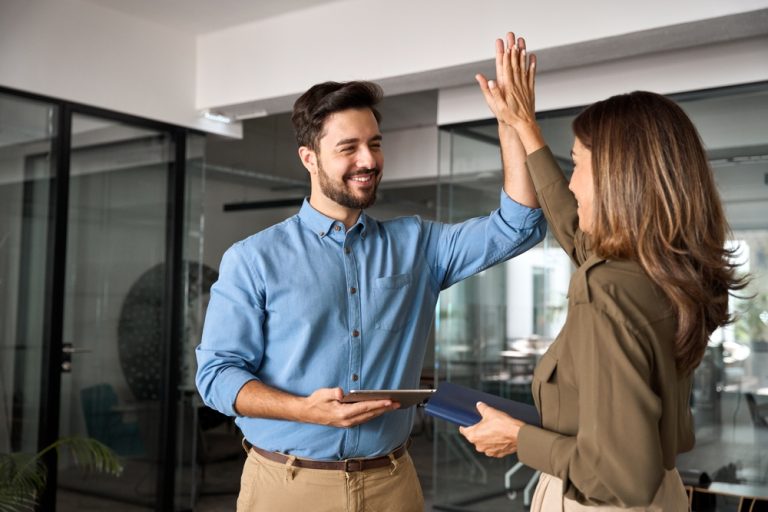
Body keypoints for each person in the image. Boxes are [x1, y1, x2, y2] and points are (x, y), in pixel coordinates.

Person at [195, 80, 546, 511]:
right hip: (287, 485)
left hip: (391, 486)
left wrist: (512, 124)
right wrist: (305, 410)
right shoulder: (253, 259)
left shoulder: (419, 245)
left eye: (374, 144)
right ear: (309, 158)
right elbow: (216, 376)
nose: (368, 160)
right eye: (349, 147)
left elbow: (519, 225)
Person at [459, 33, 747, 510]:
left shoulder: (610, 288)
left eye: (577, 166)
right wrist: (525, 127)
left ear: (618, 181)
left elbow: (617, 475)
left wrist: (518, 438)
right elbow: (575, 229)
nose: (570, 183)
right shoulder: (668, 272)